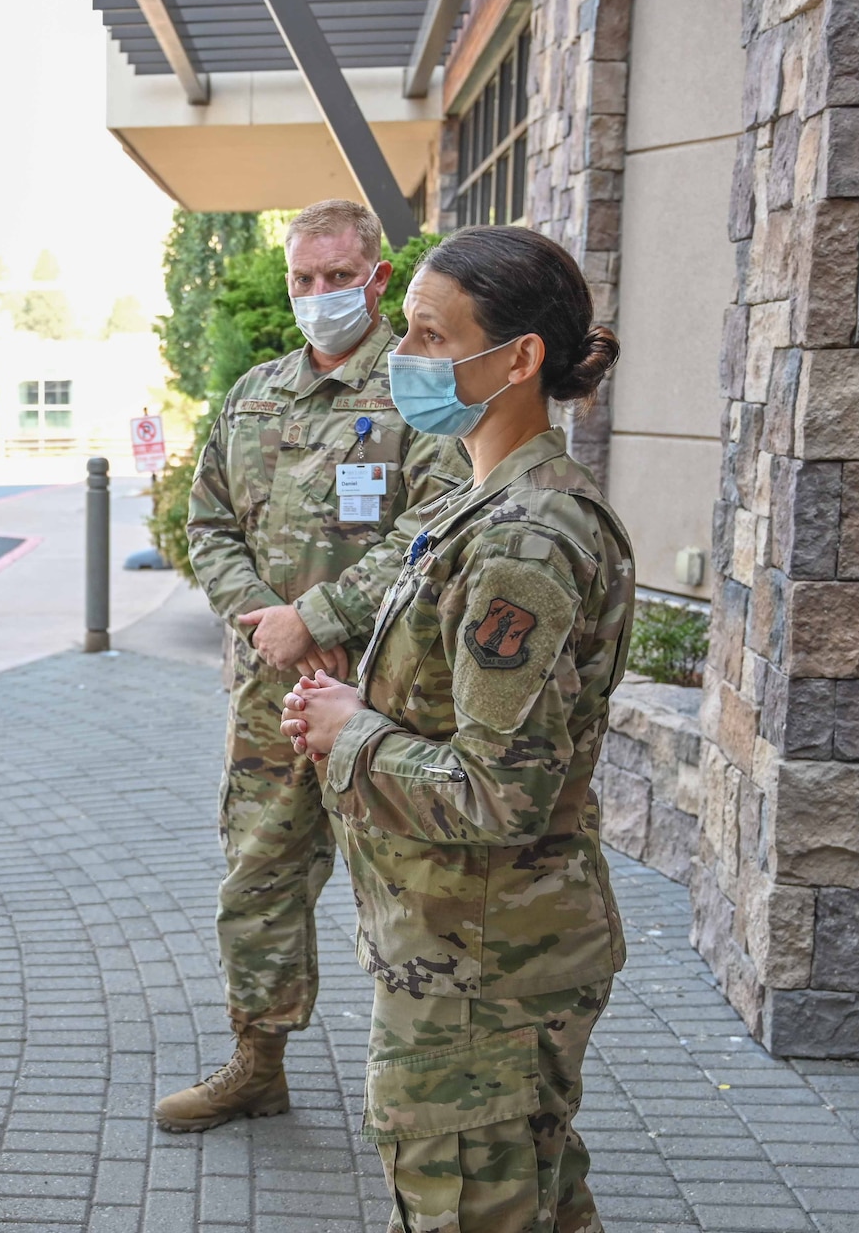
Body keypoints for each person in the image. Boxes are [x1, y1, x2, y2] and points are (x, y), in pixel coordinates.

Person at [282, 225, 632, 1232]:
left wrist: (348, 732)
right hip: (467, 945)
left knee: (469, 1205)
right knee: (533, 1196)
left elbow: (495, 789)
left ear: (517, 358)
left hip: (484, 969)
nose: (403, 357)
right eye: (408, 331)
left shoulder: (522, 536)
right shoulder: (480, 499)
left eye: (432, 338)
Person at [159, 200, 471, 1132]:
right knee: (258, 882)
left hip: (391, 702)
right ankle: (258, 1061)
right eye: (305, 278)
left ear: (377, 279)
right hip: (273, 700)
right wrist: (271, 626)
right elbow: (206, 523)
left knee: (413, 895)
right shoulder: (254, 394)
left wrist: (324, 615)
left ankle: (432, 1087)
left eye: (338, 277)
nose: (319, 294)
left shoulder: (422, 393)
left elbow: (440, 524)